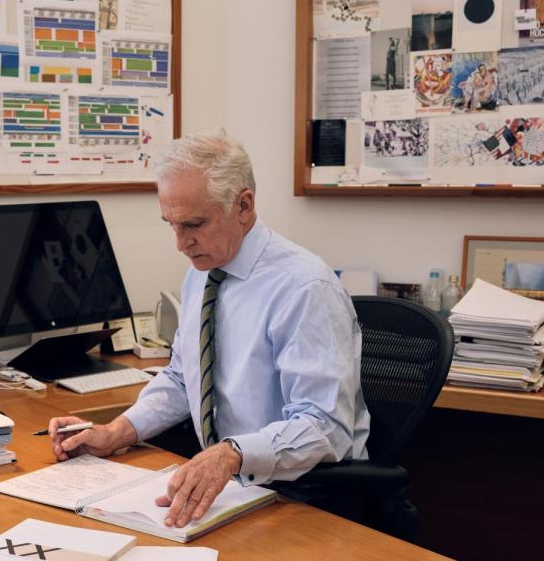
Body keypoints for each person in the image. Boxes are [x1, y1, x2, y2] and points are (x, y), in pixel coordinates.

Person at [47, 132, 371, 528]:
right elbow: (184, 378)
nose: (181, 244)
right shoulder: (204, 273)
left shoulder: (304, 288)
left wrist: (232, 453)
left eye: (193, 225)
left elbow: (326, 426)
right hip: (230, 487)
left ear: (244, 206)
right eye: (171, 224)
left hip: (304, 494)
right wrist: (118, 431)